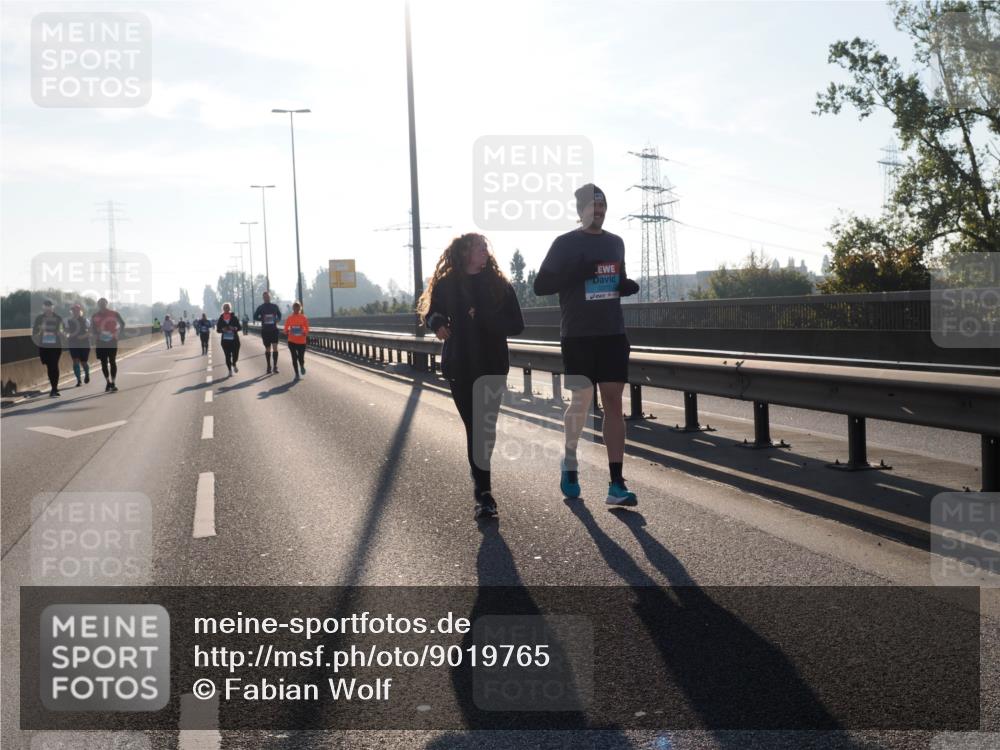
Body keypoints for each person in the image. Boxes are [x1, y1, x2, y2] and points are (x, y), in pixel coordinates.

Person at [533, 183, 641, 507]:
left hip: (611, 333)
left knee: (613, 403)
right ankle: (569, 461)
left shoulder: (615, 243)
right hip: (578, 335)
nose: (599, 212)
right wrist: (574, 273)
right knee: (581, 400)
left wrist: (623, 285)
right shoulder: (564, 244)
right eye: (594, 207)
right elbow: (540, 286)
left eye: (603, 206)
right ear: (580, 210)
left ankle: (616, 483)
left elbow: (613, 280)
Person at [418, 233, 524, 519]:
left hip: (492, 365)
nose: (485, 251)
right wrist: (437, 322)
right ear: (465, 252)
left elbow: (517, 324)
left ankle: (483, 489)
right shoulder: (447, 284)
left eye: (485, 247)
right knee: (475, 428)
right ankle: (484, 494)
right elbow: (431, 312)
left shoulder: (498, 284)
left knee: (484, 429)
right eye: (479, 247)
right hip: (460, 364)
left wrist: (486, 318)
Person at [91, 297, 127, 392]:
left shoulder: (114, 313)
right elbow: (92, 328)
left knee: (112, 361)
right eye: (100, 303)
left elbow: (122, 324)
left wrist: (118, 333)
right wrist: (96, 334)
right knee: (103, 363)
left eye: (103, 303)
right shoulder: (95, 316)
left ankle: (113, 383)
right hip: (101, 342)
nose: (102, 305)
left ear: (106, 304)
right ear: (98, 305)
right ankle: (108, 382)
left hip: (112, 341)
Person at [32, 299, 65, 397]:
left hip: (56, 346)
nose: (48, 309)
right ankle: (53, 387)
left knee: (54, 365)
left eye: (49, 306)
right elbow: (34, 333)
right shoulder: (39, 318)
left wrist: (61, 333)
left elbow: (63, 331)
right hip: (44, 346)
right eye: (46, 307)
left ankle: (54, 388)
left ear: (53, 307)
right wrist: (40, 330)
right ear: (43, 308)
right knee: (49, 366)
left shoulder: (58, 318)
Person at [254, 291, 283, 374]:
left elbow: (279, 315)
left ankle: (275, 366)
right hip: (265, 331)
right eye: (265, 297)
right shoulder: (261, 307)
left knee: (275, 348)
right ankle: (268, 366)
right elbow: (255, 316)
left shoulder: (274, 306)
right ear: (263, 298)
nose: (266, 298)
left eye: (268, 297)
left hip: (274, 330)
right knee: (267, 349)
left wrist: (278, 319)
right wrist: (262, 319)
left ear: (270, 297)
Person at [65, 303, 92, 387]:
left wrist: (83, 336)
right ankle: (79, 380)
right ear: (71, 312)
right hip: (73, 343)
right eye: (73, 310)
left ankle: (87, 373)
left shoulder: (85, 320)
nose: (75, 312)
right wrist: (68, 335)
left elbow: (90, 331)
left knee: (84, 362)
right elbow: (65, 331)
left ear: (80, 311)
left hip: (84, 343)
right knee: (75, 361)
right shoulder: (68, 321)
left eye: (76, 310)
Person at [283, 301, 310, 378]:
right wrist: (287, 331)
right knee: (294, 357)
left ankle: (301, 365)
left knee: (301, 358)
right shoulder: (289, 318)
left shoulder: (304, 318)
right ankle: (297, 374)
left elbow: (307, 329)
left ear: (300, 308)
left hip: (301, 341)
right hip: (292, 341)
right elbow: (285, 329)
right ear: (293, 308)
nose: (296, 309)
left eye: (298, 307)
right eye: (295, 307)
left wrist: (304, 332)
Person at [216, 303, 242, 375]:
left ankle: (234, 363)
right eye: (225, 308)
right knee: (227, 356)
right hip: (225, 341)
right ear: (223, 309)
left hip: (235, 341)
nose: (226, 309)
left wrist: (234, 328)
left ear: (229, 308)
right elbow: (217, 330)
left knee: (235, 355)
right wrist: (222, 330)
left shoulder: (234, 317)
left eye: (227, 307)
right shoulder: (221, 318)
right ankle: (230, 370)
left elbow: (240, 327)